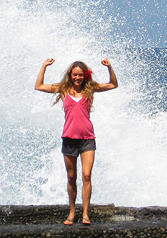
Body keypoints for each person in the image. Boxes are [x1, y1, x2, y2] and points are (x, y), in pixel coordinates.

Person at [35, 58, 118, 226]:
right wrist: (44, 66)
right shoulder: (64, 90)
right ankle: (72, 212)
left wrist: (110, 68)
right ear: (70, 75)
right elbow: (39, 86)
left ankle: (85, 214)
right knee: (71, 177)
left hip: (88, 139)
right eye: (75, 75)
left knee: (86, 175)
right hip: (69, 139)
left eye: (80, 75)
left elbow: (113, 85)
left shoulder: (90, 89)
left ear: (84, 76)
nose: (77, 78)